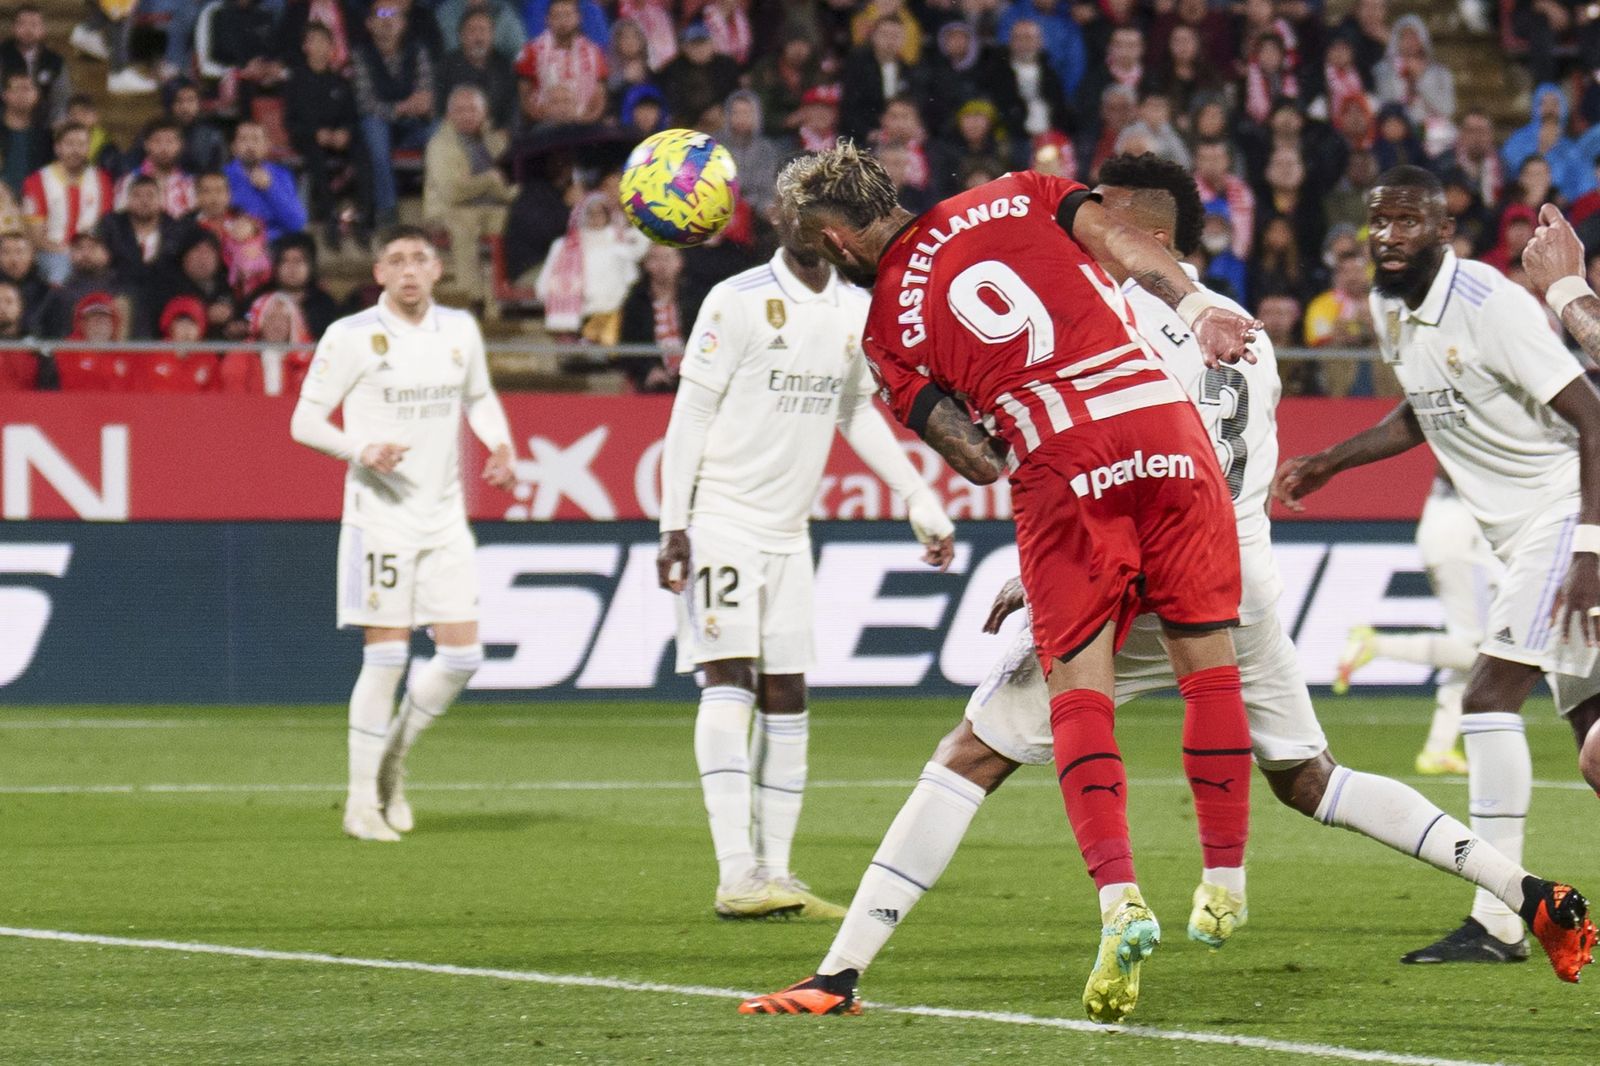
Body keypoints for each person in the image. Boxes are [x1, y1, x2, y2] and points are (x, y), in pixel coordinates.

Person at [742, 153, 1600, 1020]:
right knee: (1312, 778)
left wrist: (1041, 545)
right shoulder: (1183, 299)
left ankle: (845, 970)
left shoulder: (996, 310)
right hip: (1226, 558)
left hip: (1104, 538)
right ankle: (1516, 888)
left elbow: (1000, 447)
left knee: (971, 756)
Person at [764, 142, 1260, 1022]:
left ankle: (1119, 899)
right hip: (1168, 430)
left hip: (1064, 462)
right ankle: (1225, 878)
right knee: (1209, 663)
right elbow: (1130, 248)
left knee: (1075, 695)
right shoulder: (1017, 193)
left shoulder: (884, 330)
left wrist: (996, 401)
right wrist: (1198, 307)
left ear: (838, 241)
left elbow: (982, 460)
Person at [1273, 169, 1600, 968]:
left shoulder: (1491, 306)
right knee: (1596, 744)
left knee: (1488, 698)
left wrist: (1590, 552)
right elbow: (1425, 408)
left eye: (1407, 221)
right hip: (1524, 535)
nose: (1387, 236)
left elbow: (1595, 420)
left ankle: (1499, 919)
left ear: (1444, 230)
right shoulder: (1397, 313)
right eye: (1377, 220)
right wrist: (1332, 461)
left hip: (1565, 519)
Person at [655, 195, 957, 923]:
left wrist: (916, 493)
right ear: (781, 224)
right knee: (727, 682)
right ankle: (736, 874)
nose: (816, 227)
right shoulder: (736, 301)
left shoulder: (856, 308)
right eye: (799, 212)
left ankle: (776, 873)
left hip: (790, 534)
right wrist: (673, 525)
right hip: (722, 518)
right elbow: (690, 412)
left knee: (787, 694)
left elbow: (855, 409)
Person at [289, 226, 518, 842]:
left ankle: (392, 757)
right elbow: (304, 420)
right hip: (379, 517)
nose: (410, 269)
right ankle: (361, 802)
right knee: (386, 656)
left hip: (444, 517)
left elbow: (480, 396)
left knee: (464, 655)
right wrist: (360, 448)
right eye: (396, 259)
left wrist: (500, 445)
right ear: (380, 274)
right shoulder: (352, 336)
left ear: (438, 270)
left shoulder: (460, 331)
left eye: (420, 258)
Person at [424, 86, 515, 306]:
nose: (466, 115)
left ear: (484, 114)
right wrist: (489, 181)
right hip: (449, 209)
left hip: (492, 207)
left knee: (519, 221)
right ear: (449, 115)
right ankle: (471, 298)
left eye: (472, 110)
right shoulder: (440, 145)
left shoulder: (494, 141)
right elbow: (452, 192)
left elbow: (509, 182)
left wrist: (514, 194)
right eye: (460, 110)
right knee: (463, 225)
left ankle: (505, 296)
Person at [355, 4, 438, 228]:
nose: (387, 22)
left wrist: (416, 106)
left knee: (438, 133)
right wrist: (401, 108)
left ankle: (437, 208)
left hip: (412, 126)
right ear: (369, 23)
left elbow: (425, 96)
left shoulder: (417, 50)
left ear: (403, 24)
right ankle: (387, 211)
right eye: (381, 15)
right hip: (379, 127)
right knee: (373, 128)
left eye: (394, 16)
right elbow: (365, 104)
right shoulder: (361, 55)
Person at [285, 22, 364, 245]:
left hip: (336, 138)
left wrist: (344, 133)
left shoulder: (340, 81)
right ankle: (329, 217)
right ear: (305, 46)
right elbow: (291, 121)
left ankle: (363, 216)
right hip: (307, 138)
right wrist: (315, 133)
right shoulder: (296, 81)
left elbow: (352, 117)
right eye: (314, 41)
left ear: (332, 47)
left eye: (324, 41)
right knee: (315, 154)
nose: (320, 46)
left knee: (362, 151)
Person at [21, 123, 111, 285]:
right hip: (54, 252)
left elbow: (107, 227)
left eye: (81, 144)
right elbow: (36, 237)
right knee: (61, 272)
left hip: (92, 253)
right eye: (70, 144)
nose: (76, 150)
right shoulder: (37, 181)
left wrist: (91, 253)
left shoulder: (102, 179)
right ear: (57, 148)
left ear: (88, 148)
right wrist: (69, 252)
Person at [515, 0, 605, 125]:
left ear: (579, 18)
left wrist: (583, 121)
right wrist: (547, 119)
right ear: (547, 19)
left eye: (568, 15)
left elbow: (600, 98)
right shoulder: (532, 51)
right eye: (557, 16)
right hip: (543, 127)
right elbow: (524, 97)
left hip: (584, 126)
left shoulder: (593, 52)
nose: (563, 21)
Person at [437, 7, 518, 132]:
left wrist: (505, 132)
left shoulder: (504, 66)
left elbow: (513, 110)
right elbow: (439, 109)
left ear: (492, 35)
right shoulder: (446, 66)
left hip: (496, 132)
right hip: (456, 132)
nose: (478, 37)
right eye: (472, 30)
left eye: (483, 30)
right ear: (461, 36)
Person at [224, 123, 308, 244]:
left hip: (275, 245)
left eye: (256, 139)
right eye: (243, 139)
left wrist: (270, 189)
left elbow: (297, 223)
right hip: (236, 244)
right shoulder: (223, 176)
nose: (250, 146)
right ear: (233, 147)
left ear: (267, 146)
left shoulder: (281, 175)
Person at [98, 174, 183, 288]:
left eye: (150, 195)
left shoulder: (175, 229)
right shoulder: (112, 226)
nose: (144, 201)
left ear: (161, 200)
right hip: (120, 290)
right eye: (137, 195)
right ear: (127, 200)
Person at [0, 4, 69, 128]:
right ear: (14, 28)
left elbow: (61, 97)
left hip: (43, 124)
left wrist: (56, 125)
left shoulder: (54, 61)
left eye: (34, 25)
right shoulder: (3, 55)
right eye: (23, 24)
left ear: (43, 29)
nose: (28, 30)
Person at [115, 120, 196, 219]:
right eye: (157, 141)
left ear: (180, 145)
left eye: (170, 141)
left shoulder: (190, 183)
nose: (164, 148)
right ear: (146, 144)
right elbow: (120, 218)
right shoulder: (129, 180)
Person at [0, 71, 50, 197]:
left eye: (27, 89)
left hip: (33, 206)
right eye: (16, 89)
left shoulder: (45, 138)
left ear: (37, 95)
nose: (22, 94)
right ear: (5, 94)